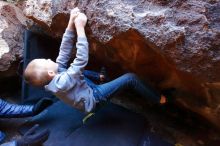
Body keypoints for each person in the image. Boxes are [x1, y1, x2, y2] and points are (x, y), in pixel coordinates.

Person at [24, 7, 166, 114]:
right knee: (130, 78)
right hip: (94, 98)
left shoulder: (56, 76)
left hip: (83, 89)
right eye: (46, 60)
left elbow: (64, 50)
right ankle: (158, 98)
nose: (49, 58)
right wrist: (80, 27)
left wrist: (71, 22)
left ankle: (101, 77)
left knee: (76, 72)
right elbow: (81, 59)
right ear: (50, 73)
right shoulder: (63, 81)